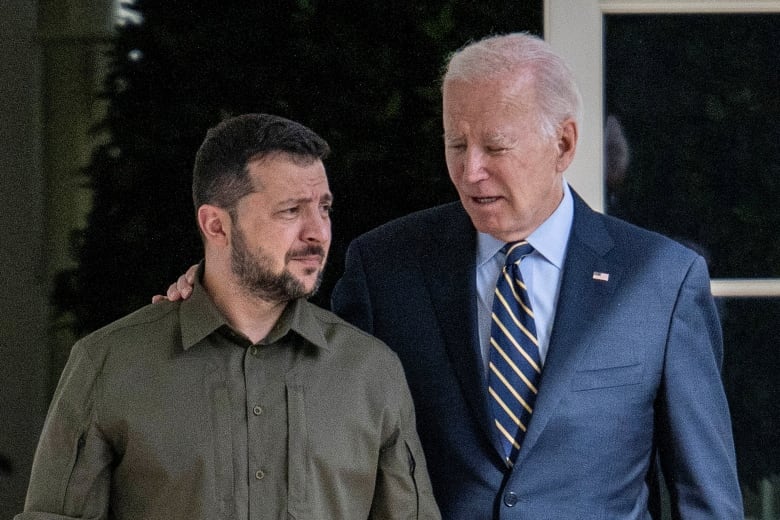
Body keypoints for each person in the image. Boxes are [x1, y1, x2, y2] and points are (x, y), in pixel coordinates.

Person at [162, 34, 744, 518]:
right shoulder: (387, 265)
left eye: (494, 146)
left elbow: (704, 495)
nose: (470, 170)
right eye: (456, 143)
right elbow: (306, 389)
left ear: (563, 143)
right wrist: (218, 290)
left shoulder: (661, 281)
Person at [18, 114, 440, 520]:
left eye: (324, 209)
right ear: (216, 226)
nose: (319, 232)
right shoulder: (109, 364)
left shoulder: (372, 371)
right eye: (291, 211)